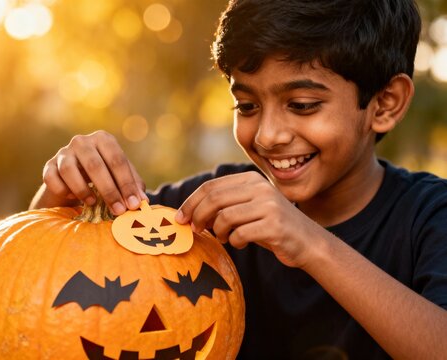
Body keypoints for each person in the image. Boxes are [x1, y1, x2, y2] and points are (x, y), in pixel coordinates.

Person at [30, 0, 447, 358]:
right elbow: (29, 286)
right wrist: (59, 190)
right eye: (246, 106)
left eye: (301, 105)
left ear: (385, 103)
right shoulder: (208, 211)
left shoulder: (429, 217)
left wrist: (307, 242)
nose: (267, 135)